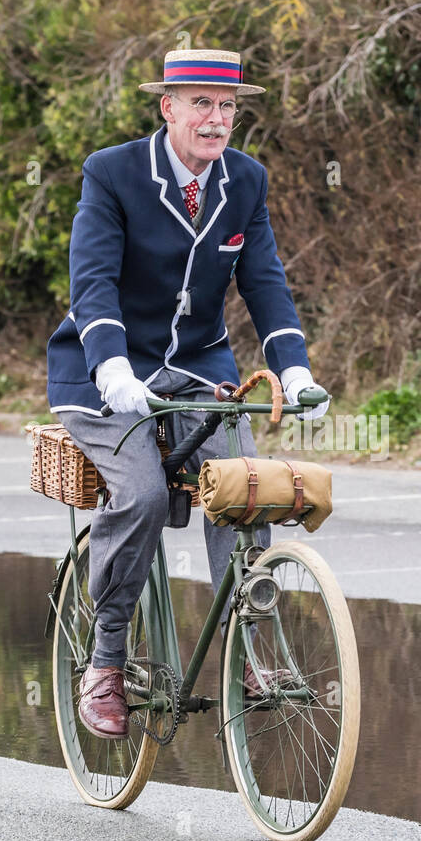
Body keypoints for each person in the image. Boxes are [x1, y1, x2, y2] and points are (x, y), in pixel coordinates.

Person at [46, 48, 329, 739]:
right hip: (101, 372)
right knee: (141, 495)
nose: (217, 119)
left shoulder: (245, 179)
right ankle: (105, 664)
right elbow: (93, 283)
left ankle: (254, 655)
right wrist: (112, 369)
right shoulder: (111, 173)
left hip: (200, 369)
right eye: (201, 103)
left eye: (228, 106)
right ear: (167, 106)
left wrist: (292, 368)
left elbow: (264, 280)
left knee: (247, 489)